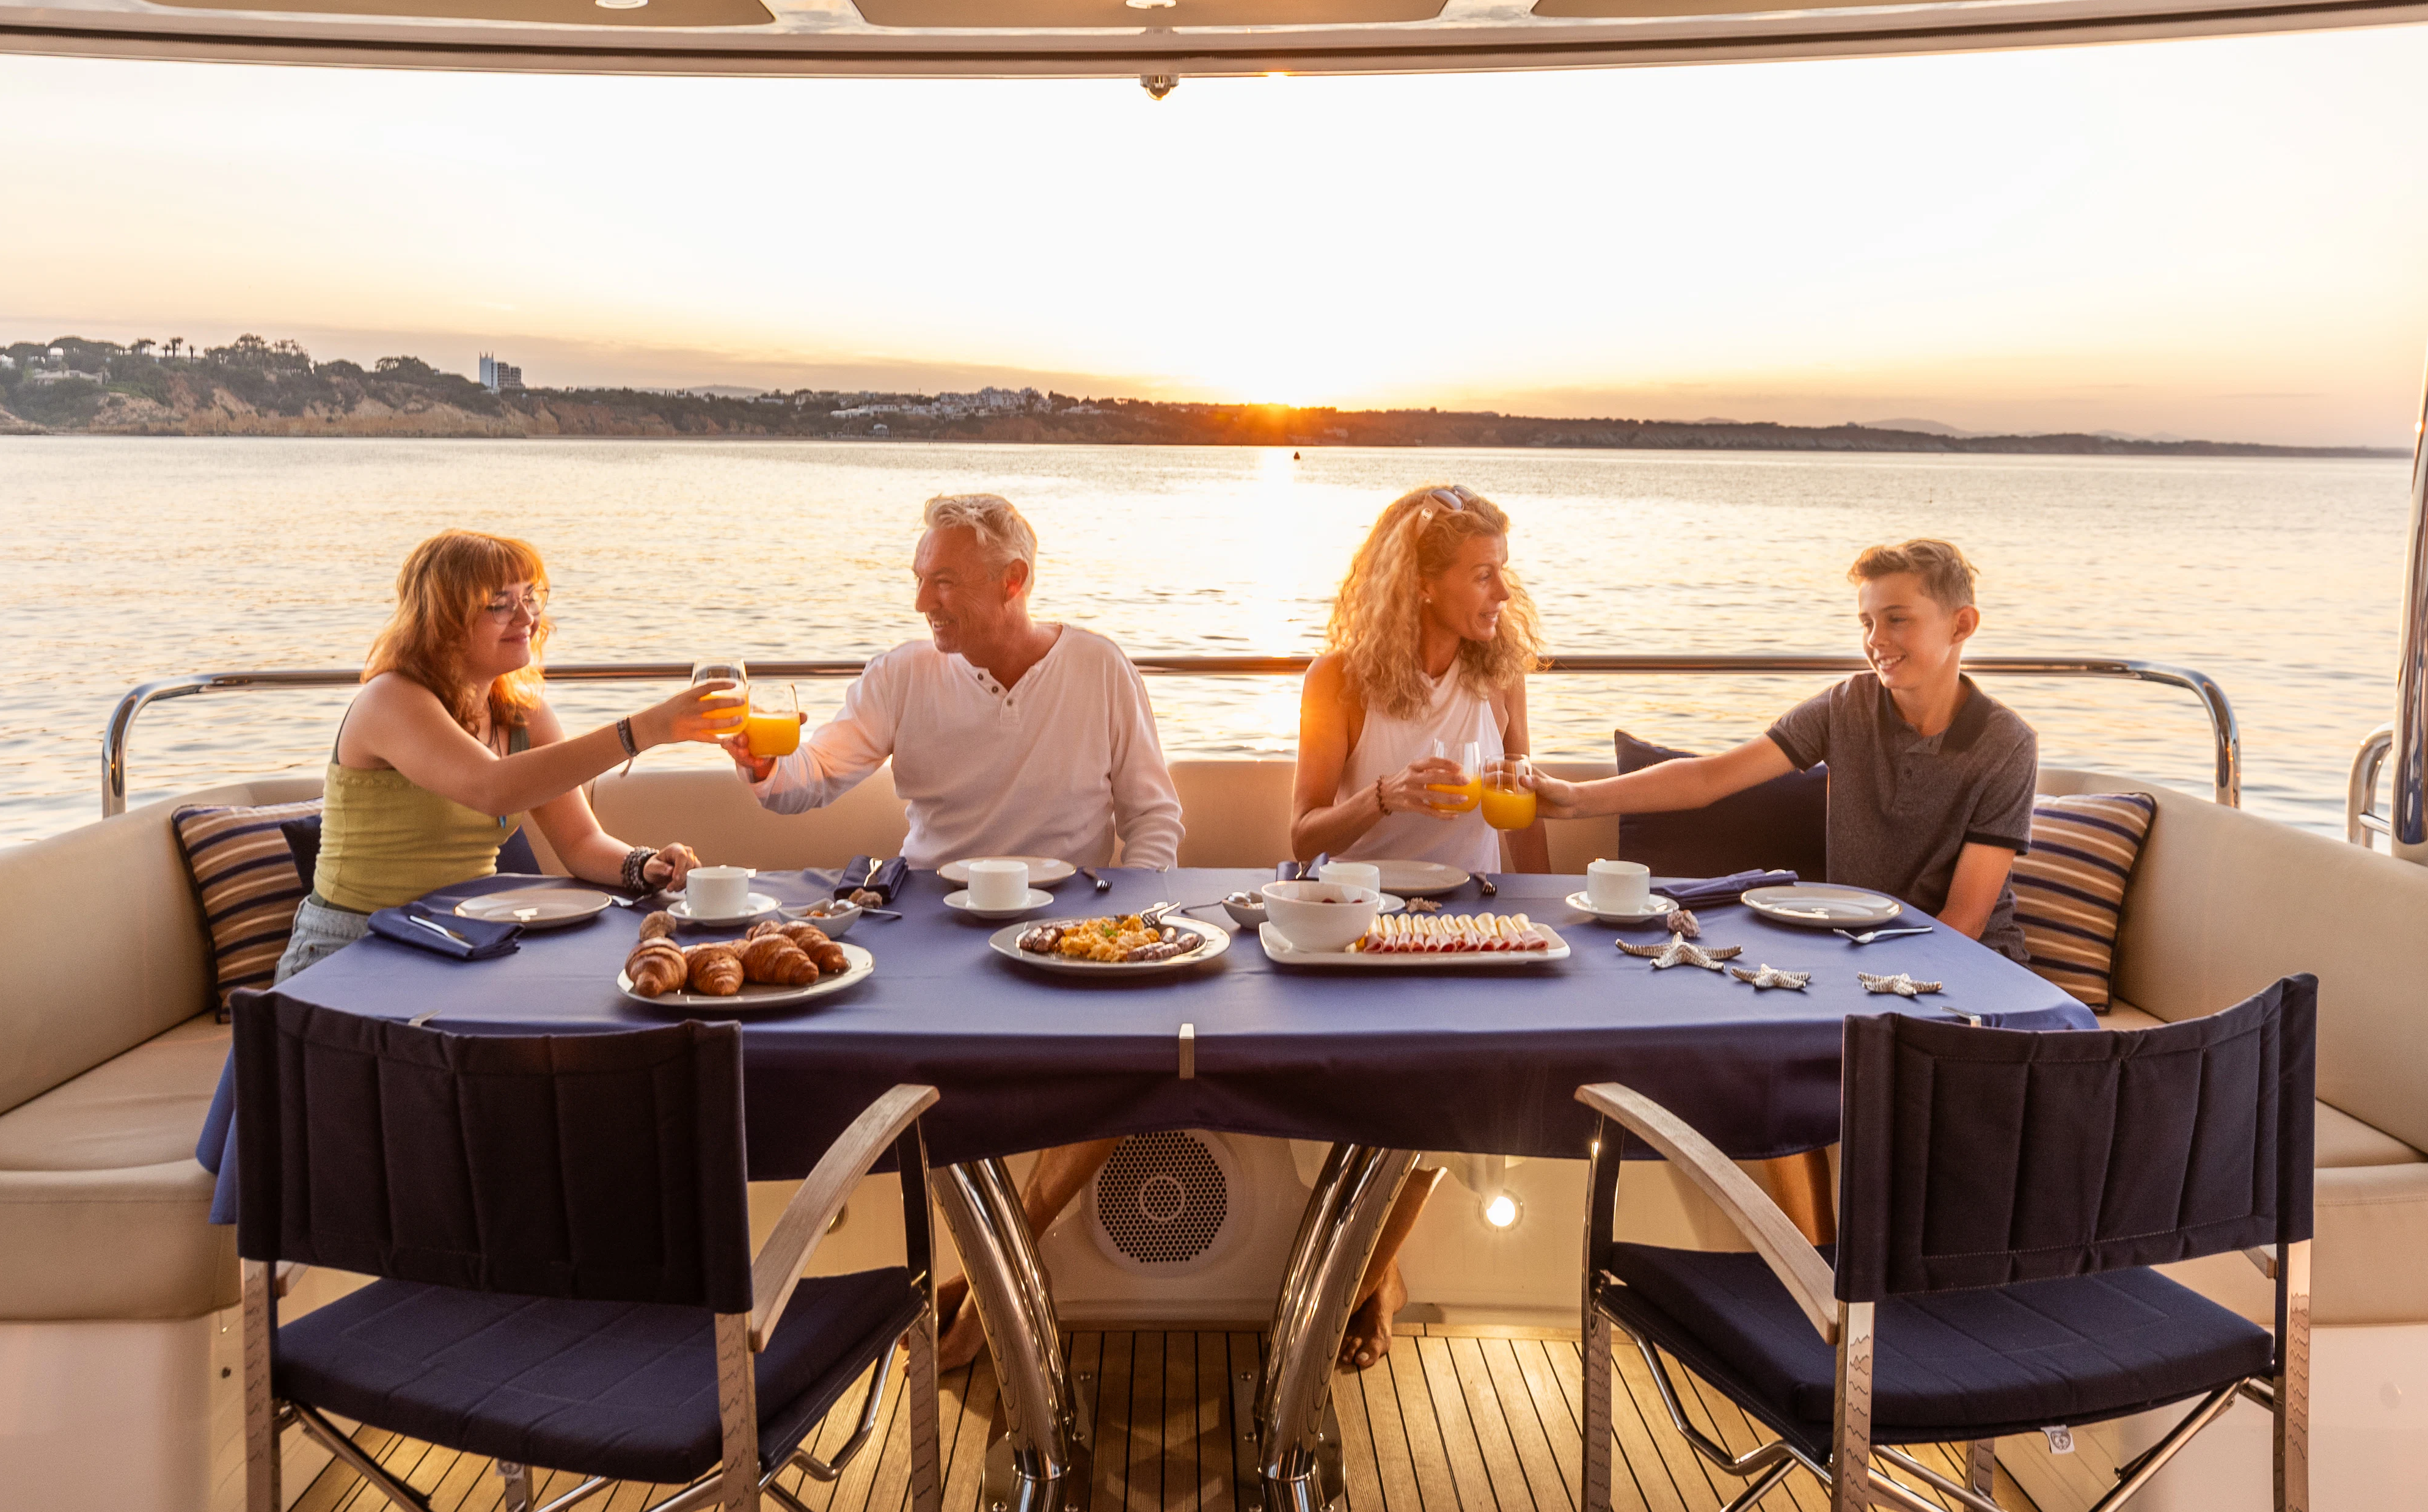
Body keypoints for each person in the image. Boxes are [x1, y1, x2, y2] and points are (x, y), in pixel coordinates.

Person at [728, 492, 1183, 1364]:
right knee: (913, 1075)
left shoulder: (1099, 667)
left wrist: (1125, 916)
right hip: (935, 922)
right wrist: (762, 765)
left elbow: (1153, 817)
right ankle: (1000, 1273)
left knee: (1139, 1067)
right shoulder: (903, 674)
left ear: (1013, 582)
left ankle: (990, 1273)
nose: (921, 601)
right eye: (918, 580)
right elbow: (810, 775)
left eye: (943, 580)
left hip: (1068, 929)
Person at [1539, 537, 2038, 1238]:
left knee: (1851, 1055)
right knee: (1769, 1045)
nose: (1876, 641)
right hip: (1855, 957)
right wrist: (1572, 799)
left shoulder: (2007, 743)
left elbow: (1964, 920)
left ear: (1963, 626)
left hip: (1967, 968)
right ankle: (1821, 1266)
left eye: (1897, 619)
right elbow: (1711, 777)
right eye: (1866, 622)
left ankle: (1893, 1271)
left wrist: (1858, 985)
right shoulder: (1846, 707)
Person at [1288, 483, 1550, 1367]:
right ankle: (1366, 1281)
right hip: (1359, 922)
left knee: (1460, 1089)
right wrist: (1387, 796)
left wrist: (1550, 915)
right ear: (1422, 583)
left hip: (1470, 918)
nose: (1500, 595)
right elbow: (1300, 833)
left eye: (1502, 575)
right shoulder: (1340, 680)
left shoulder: (1497, 672)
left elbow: (1524, 804)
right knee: (1359, 1089)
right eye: (1483, 576)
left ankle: (1360, 1278)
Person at [276, 529, 740, 983]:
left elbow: (580, 843)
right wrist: (647, 729)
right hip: (356, 947)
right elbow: (492, 788)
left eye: (530, 597)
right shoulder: (391, 700)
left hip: (463, 940)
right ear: (442, 619)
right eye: (499, 604)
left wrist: (644, 865)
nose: (526, 618)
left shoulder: (523, 712)